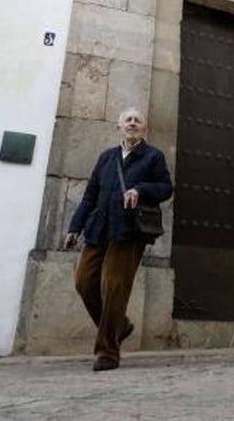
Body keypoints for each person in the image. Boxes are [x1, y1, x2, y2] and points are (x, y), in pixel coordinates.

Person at [62, 108, 173, 371]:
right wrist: (74, 227)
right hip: (98, 228)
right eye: (128, 120)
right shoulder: (106, 157)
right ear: (119, 128)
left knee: (114, 289)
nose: (132, 123)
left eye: (137, 121)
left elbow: (166, 188)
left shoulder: (153, 157)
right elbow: (90, 195)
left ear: (144, 129)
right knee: (84, 282)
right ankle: (119, 325)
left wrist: (140, 189)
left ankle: (108, 353)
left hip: (128, 232)